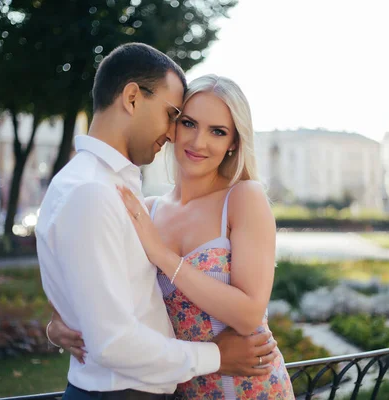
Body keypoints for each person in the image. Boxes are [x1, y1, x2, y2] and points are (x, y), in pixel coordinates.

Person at [36, 44, 277, 400]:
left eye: (218, 131)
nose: (197, 141)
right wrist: (60, 321)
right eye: (184, 121)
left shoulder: (242, 198)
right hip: (181, 386)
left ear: (234, 143)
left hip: (242, 387)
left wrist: (163, 256)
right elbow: (96, 284)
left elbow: (248, 315)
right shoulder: (141, 207)